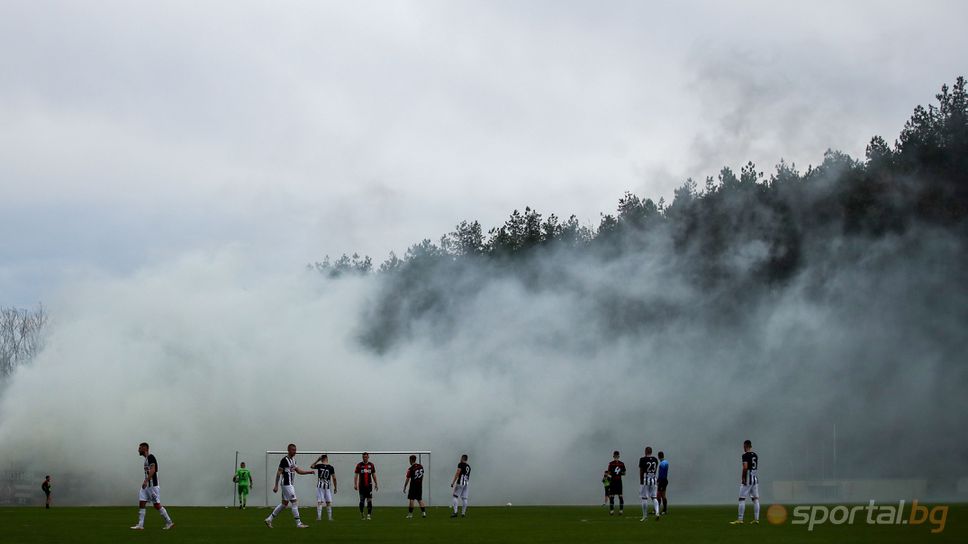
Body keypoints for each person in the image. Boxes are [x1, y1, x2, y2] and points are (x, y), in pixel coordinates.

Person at [265, 443, 313, 528]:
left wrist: (309, 472)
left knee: (284, 504)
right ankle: (299, 523)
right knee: (294, 501)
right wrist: (276, 485)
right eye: (293, 450)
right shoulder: (284, 460)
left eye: (295, 450)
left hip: (289, 484)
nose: (295, 452)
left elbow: (298, 471)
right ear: (288, 450)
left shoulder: (294, 460)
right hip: (286, 484)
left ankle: (269, 519)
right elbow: (279, 473)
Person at [130, 442, 174, 530]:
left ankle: (169, 522)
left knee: (157, 505)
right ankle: (140, 525)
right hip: (147, 486)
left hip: (152, 486)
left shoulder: (151, 457)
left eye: (140, 448)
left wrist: (146, 481)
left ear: (145, 448)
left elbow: (153, 470)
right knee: (142, 503)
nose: (138, 450)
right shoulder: (146, 459)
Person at [731, 439, 760, 525]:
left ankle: (740, 519)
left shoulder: (745, 455)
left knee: (741, 498)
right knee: (755, 499)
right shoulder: (755, 455)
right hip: (755, 479)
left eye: (743, 446)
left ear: (745, 446)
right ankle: (756, 519)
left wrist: (743, 478)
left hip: (748, 479)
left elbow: (745, 467)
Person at [310, 454, 337, 521]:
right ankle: (330, 518)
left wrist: (317, 460)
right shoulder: (331, 467)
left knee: (320, 501)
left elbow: (311, 466)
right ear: (327, 458)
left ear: (321, 459)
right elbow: (334, 478)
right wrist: (335, 487)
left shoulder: (319, 465)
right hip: (327, 486)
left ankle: (319, 517)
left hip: (320, 486)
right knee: (328, 502)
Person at [638, 446, 660, 522]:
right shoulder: (655, 459)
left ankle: (645, 516)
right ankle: (657, 512)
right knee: (654, 497)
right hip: (654, 479)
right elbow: (655, 470)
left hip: (646, 480)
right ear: (651, 452)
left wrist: (641, 481)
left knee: (644, 498)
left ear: (645, 451)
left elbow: (641, 471)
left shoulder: (642, 459)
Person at [354, 452, 378, 520]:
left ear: (368, 457)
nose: (365, 458)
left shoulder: (371, 465)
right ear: (362, 457)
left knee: (369, 500)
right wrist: (355, 484)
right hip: (361, 486)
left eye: (366, 457)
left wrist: (376, 483)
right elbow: (356, 475)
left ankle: (369, 515)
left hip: (369, 486)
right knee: (362, 501)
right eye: (363, 457)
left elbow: (373, 475)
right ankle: (362, 514)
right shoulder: (359, 465)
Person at [403, 454, 427, 519]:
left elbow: (407, 478)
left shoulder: (410, 469)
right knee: (419, 499)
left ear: (411, 460)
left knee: (411, 499)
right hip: (419, 485)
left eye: (409, 460)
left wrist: (405, 487)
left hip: (413, 486)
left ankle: (410, 514)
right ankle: (424, 513)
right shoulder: (421, 466)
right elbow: (422, 475)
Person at [449, 454, 471, 518]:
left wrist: (453, 482)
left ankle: (455, 512)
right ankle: (463, 513)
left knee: (455, 496)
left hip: (460, 483)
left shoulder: (460, 464)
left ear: (462, 458)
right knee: (464, 498)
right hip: (466, 483)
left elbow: (457, 473)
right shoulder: (469, 467)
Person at [606, 450, 626, 515]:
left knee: (615, 496)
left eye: (616, 456)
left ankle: (614, 511)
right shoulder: (620, 463)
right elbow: (624, 473)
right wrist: (620, 473)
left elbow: (608, 473)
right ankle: (619, 511)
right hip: (617, 481)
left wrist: (613, 473)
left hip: (614, 481)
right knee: (617, 496)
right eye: (616, 456)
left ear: (614, 456)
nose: (616, 457)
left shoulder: (611, 463)